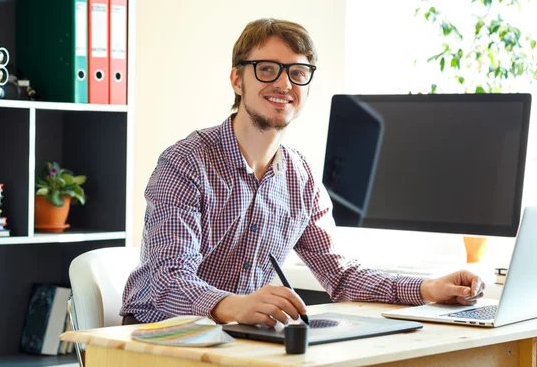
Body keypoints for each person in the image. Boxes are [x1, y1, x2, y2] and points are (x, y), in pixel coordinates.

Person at [120, 18, 486, 326]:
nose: (284, 84)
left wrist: (428, 289)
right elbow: (169, 282)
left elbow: (341, 277)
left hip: (239, 340)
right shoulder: (185, 163)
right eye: (267, 69)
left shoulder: (301, 178)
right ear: (237, 79)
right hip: (158, 337)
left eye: (298, 73)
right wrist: (237, 306)